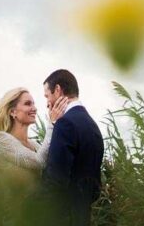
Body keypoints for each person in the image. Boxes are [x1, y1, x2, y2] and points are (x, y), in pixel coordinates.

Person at [38, 69, 104, 226]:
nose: (47, 103)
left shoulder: (65, 124)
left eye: (47, 96)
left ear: (58, 90)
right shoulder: (93, 126)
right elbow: (94, 186)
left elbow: (55, 180)